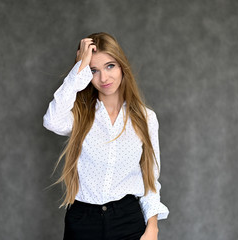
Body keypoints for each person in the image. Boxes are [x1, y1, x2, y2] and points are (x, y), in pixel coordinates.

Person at [43, 32, 169, 240]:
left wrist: (152, 228)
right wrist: (79, 68)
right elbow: (51, 121)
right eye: (94, 70)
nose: (104, 78)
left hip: (128, 220)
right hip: (83, 220)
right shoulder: (80, 116)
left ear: (121, 66)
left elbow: (150, 178)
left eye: (110, 66)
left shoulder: (146, 118)